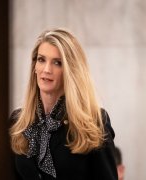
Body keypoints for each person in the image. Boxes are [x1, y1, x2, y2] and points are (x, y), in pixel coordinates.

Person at [9, 28, 118, 180]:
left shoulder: (95, 121)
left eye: (57, 63)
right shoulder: (17, 121)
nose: (46, 70)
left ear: (70, 70)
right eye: (41, 60)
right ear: (34, 66)